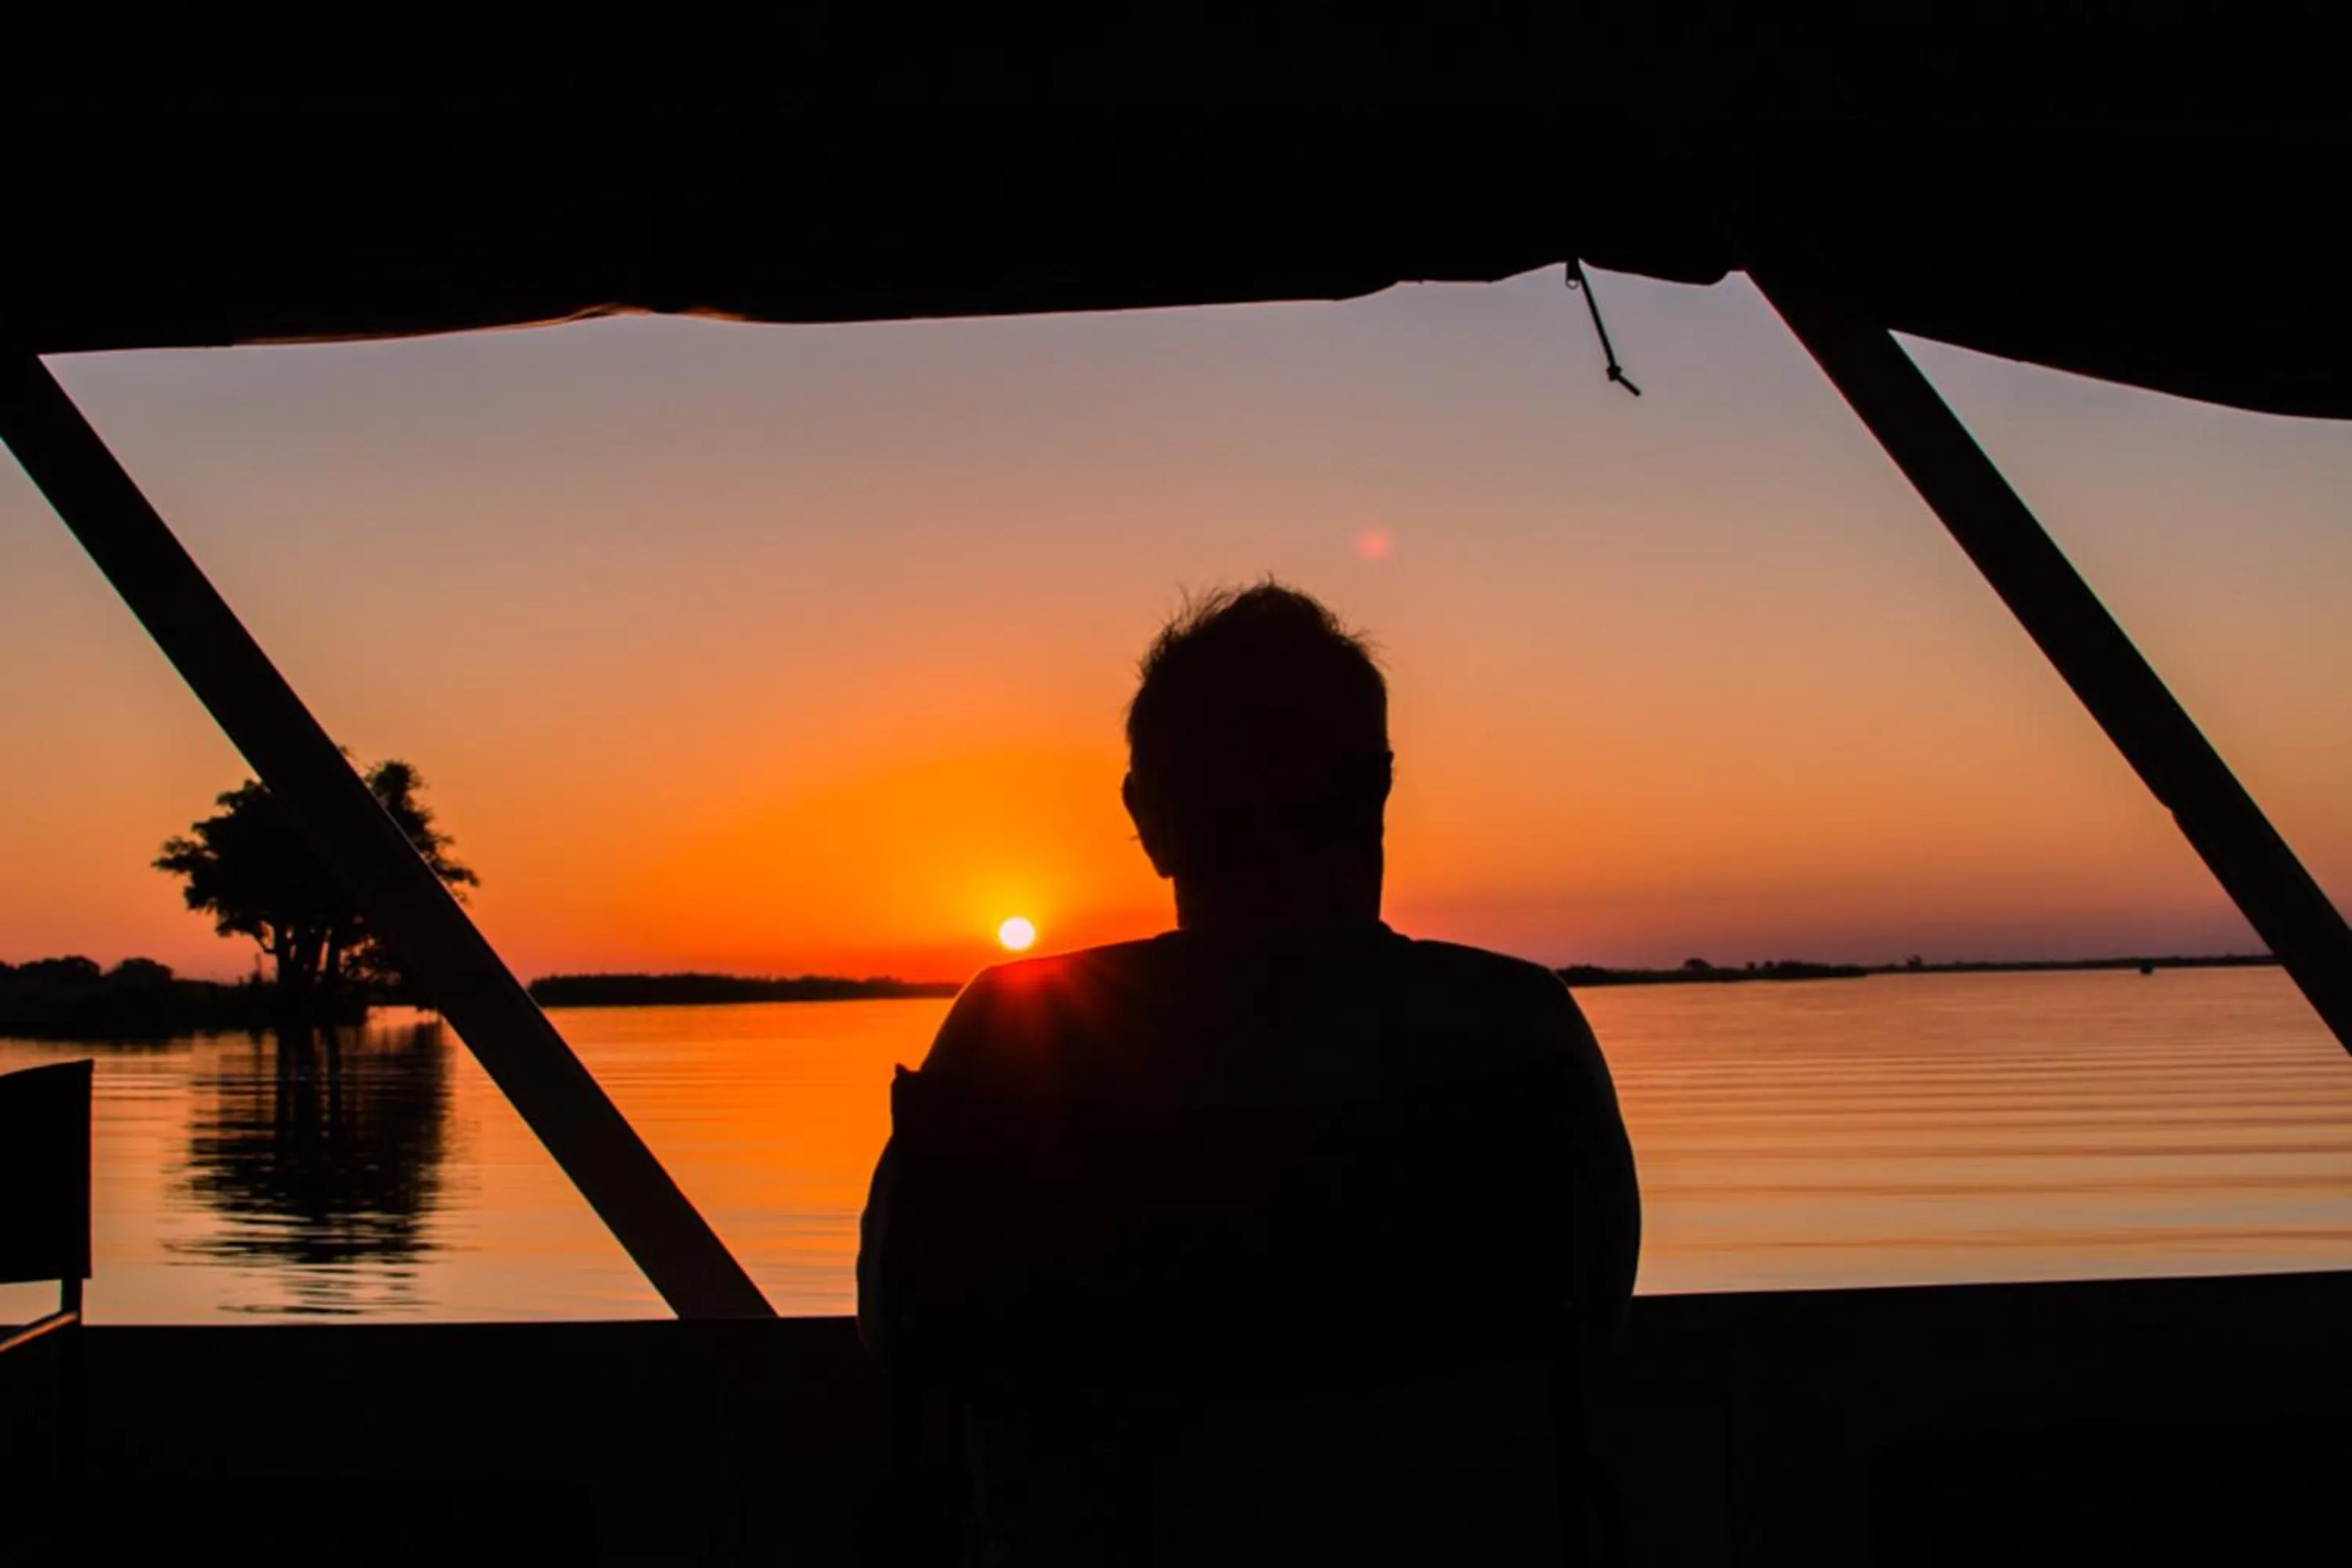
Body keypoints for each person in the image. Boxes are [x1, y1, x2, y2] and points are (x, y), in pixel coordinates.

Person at [858, 582, 1639, 1565]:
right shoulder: (1516, 1030)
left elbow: (902, 1334)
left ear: (1149, 814)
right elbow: (1591, 1320)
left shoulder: (1015, 1038)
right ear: (1377, 787)